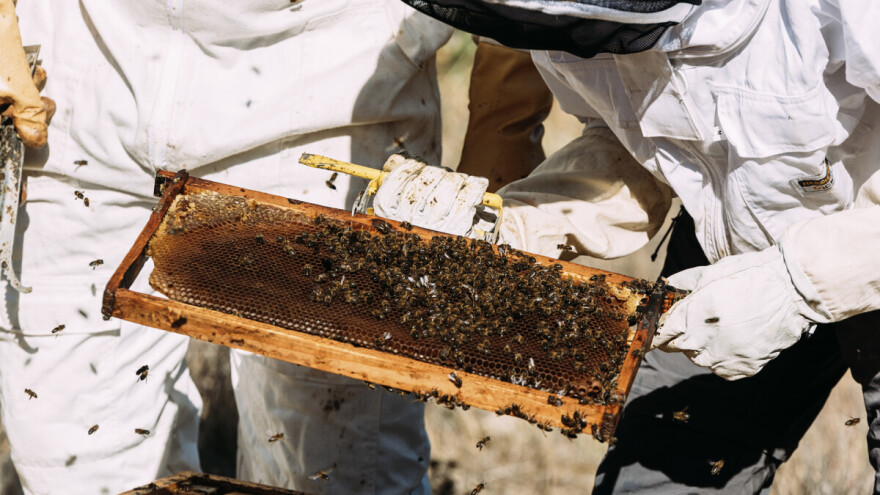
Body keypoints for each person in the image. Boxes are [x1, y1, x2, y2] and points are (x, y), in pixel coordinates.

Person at [373, 0, 880, 492]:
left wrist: (796, 282)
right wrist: (519, 221)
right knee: (657, 476)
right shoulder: (565, 23)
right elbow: (640, 143)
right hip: (727, 258)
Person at [2, 1, 457, 493]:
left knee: (338, 466)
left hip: (333, 97)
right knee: (75, 461)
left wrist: (508, 116)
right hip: (83, 84)